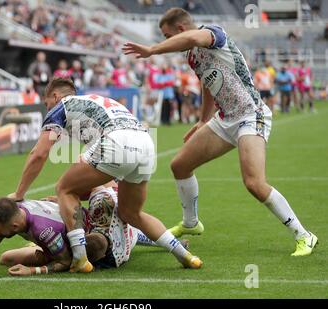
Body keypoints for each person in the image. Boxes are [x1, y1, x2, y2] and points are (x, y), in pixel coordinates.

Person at [122, 7, 317, 256]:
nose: (165, 41)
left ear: (180, 29)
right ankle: (191, 224)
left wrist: (152, 50)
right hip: (224, 119)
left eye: (166, 35)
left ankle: (304, 235)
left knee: (254, 183)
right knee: (180, 165)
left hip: (250, 114)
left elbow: (193, 38)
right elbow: (207, 85)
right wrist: (203, 120)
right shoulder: (193, 56)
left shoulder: (212, 33)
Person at [7, 77, 202, 272]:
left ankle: (80, 259)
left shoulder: (60, 108)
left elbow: (38, 154)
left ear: (55, 96)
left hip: (116, 140)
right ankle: (185, 256)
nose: (47, 108)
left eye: (46, 103)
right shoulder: (93, 102)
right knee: (131, 213)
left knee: (63, 189)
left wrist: (19, 193)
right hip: (146, 142)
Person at [0, 184, 189, 276]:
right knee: (6, 257)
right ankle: (151, 238)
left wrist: (34, 271)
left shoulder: (45, 230)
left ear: (14, 226)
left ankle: (146, 238)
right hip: (57, 231)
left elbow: (67, 263)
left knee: (113, 242)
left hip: (78, 238)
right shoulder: (14, 211)